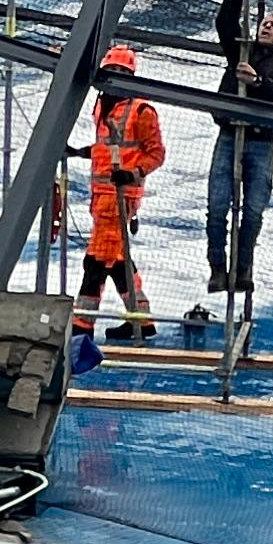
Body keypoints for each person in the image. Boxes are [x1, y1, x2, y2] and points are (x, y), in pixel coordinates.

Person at [201, 0, 273, 304]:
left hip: (261, 142)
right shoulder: (241, 50)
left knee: (254, 211)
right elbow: (224, 22)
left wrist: (258, 83)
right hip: (230, 133)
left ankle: (243, 267)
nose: (266, 27)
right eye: (264, 23)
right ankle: (218, 267)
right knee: (217, 207)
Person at [81, 44, 164, 340]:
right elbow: (107, 147)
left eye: (120, 72)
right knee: (117, 260)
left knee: (96, 261)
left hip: (121, 196)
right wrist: (82, 152)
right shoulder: (103, 106)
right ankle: (141, 319)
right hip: (102, 194)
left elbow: (156, 154)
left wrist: (132, 173)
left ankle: (82, 325)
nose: (114, 78)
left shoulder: (141, 110)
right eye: (111, 71)